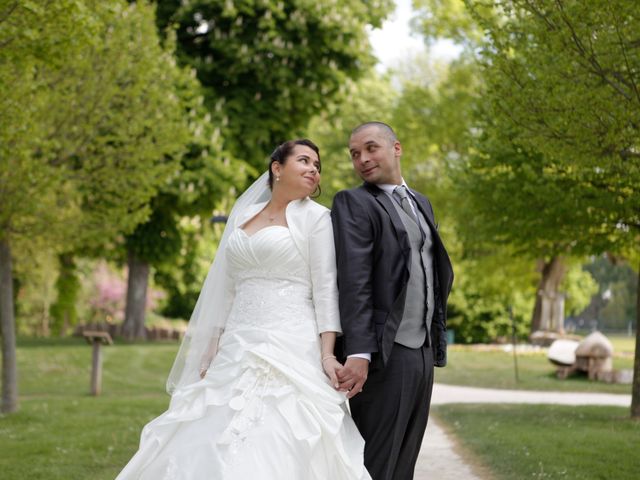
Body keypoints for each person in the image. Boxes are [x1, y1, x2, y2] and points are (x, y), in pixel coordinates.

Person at [117, 139, 370, 480]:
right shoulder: (241, 216)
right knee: (208, 429)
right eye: (304, 160)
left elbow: (325, 289)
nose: (314, 169)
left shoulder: (317, 218)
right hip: (237, 342)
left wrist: (327, 355)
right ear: (277, 168)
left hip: (290, 340)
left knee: (277, 432)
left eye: (317, 165)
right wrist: (211, 345)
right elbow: (228, 289)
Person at [331, 122, 454, 480]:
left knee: (405, 463)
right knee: (377, 465)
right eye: (355, 154)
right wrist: (359, 352)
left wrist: (433, 343)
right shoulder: (352, 203)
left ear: (396, 148)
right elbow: (354, 282)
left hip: (421, 352)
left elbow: (432, 272)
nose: (363, 159)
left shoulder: (421, 203)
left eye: (371, 148)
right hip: (383, 355)